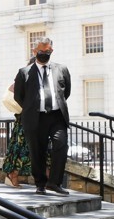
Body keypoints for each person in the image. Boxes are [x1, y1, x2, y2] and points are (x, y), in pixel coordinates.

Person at [13, 38, 71, 195]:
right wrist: (33, 106)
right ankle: (40, 184)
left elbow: (66, 92)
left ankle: (54, 183)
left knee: (61, 145)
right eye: (41, 51)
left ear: (51, 51)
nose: (44, 54)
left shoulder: (62, 69)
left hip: (57, 116)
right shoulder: (24, 73)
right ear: (34, 52)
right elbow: (19, 96)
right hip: (35, 117)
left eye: (48, 52)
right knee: (37, 151)